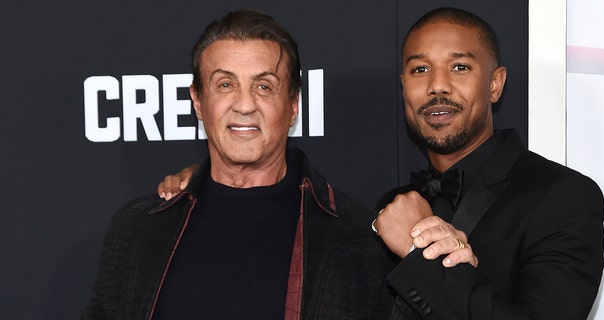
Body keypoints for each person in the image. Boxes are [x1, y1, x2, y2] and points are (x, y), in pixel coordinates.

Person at [158, 7, 604, 320]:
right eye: (419, 70)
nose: (437, 87)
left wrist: (419, 257)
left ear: (496, 84)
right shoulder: (390, 206)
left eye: (461, 67)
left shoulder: (563, 196)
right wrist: (208, 186)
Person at [83, 10, 394, 320]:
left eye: (263, 86)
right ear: (197, 102)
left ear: (294, 104)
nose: (244, 105)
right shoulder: (138, 229)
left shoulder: (356, 235)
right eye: (225, 85)